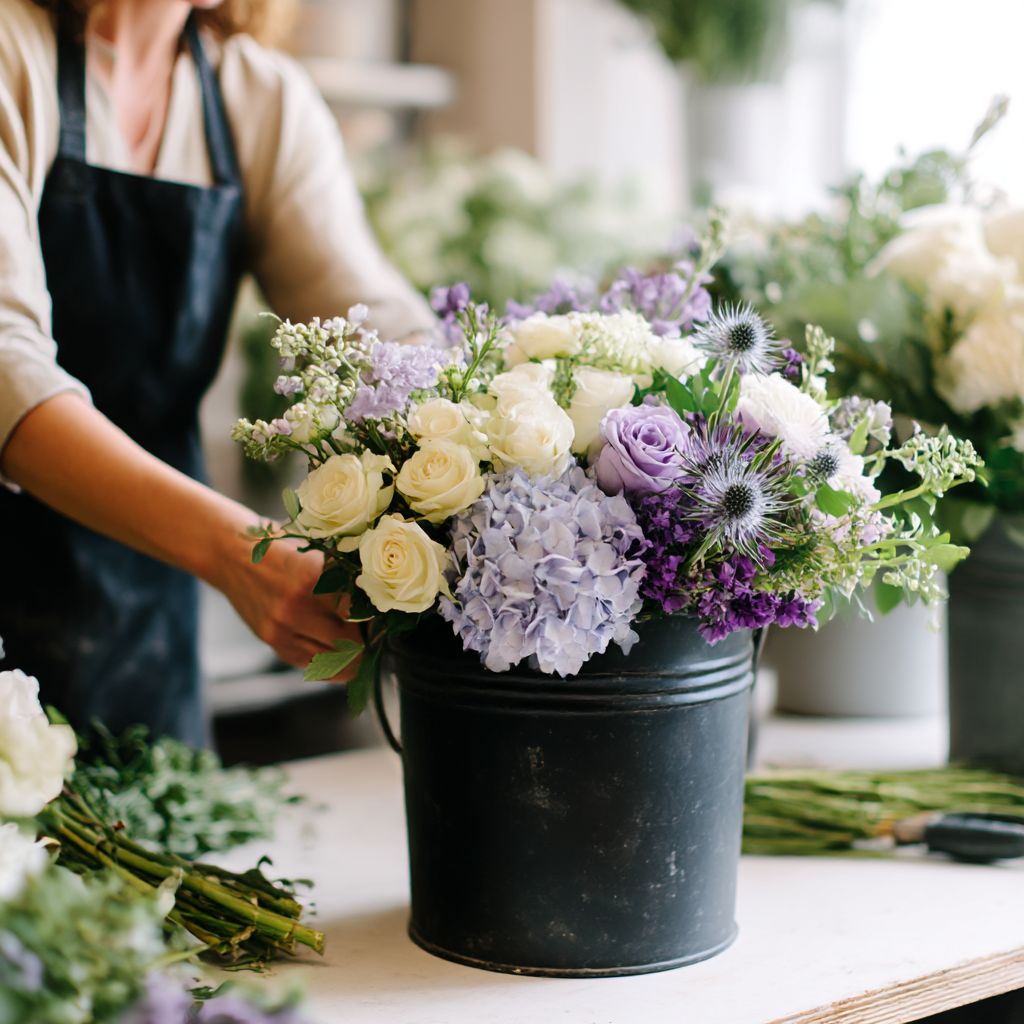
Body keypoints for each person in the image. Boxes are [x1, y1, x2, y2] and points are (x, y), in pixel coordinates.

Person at [0, 0, 435, 745]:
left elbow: (379, 334)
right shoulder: (14, 50)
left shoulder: (259, 99)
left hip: (146, 621)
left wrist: (505, 426)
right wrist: (239, 553)